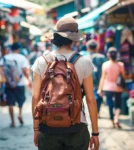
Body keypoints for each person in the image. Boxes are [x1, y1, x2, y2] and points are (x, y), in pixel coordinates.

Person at [31, 17, 99, 150]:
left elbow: (35, 96)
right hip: (77, 126)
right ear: (74, 38)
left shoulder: (41, 61)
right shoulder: (84, 62)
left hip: (48, 126)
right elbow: (91, 99)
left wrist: (36, 128)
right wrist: (95, 133)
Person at [0, 42, 31, 127]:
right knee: (21, 100)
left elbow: (0, 69)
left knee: (10, 103)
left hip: (8, 84)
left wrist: (5, 79)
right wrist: (29, 80)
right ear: (18, 49)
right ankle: (20, 114)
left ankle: (13, 121)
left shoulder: (5, 58)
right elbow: (24, 70)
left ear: (11, 49)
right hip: (20, 83)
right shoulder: (22, 58)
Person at [98, 47, 125, 128]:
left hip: (107, 87)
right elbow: (123, 76)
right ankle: (116, 119)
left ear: (108, 55)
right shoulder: (121, 65)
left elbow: (102, 77)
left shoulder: (105, 65)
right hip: (118, 87)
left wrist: (100, 89)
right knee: (118, 104)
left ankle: (112, 120)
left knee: (110, 105)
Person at [86, 40, 106, 114]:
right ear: (97, 48)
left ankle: (93, 111)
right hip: (100, 80)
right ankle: (96, 111)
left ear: (88, 48)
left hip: (89, 81)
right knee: (98, 96)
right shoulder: (102, 57)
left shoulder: (85, 58)